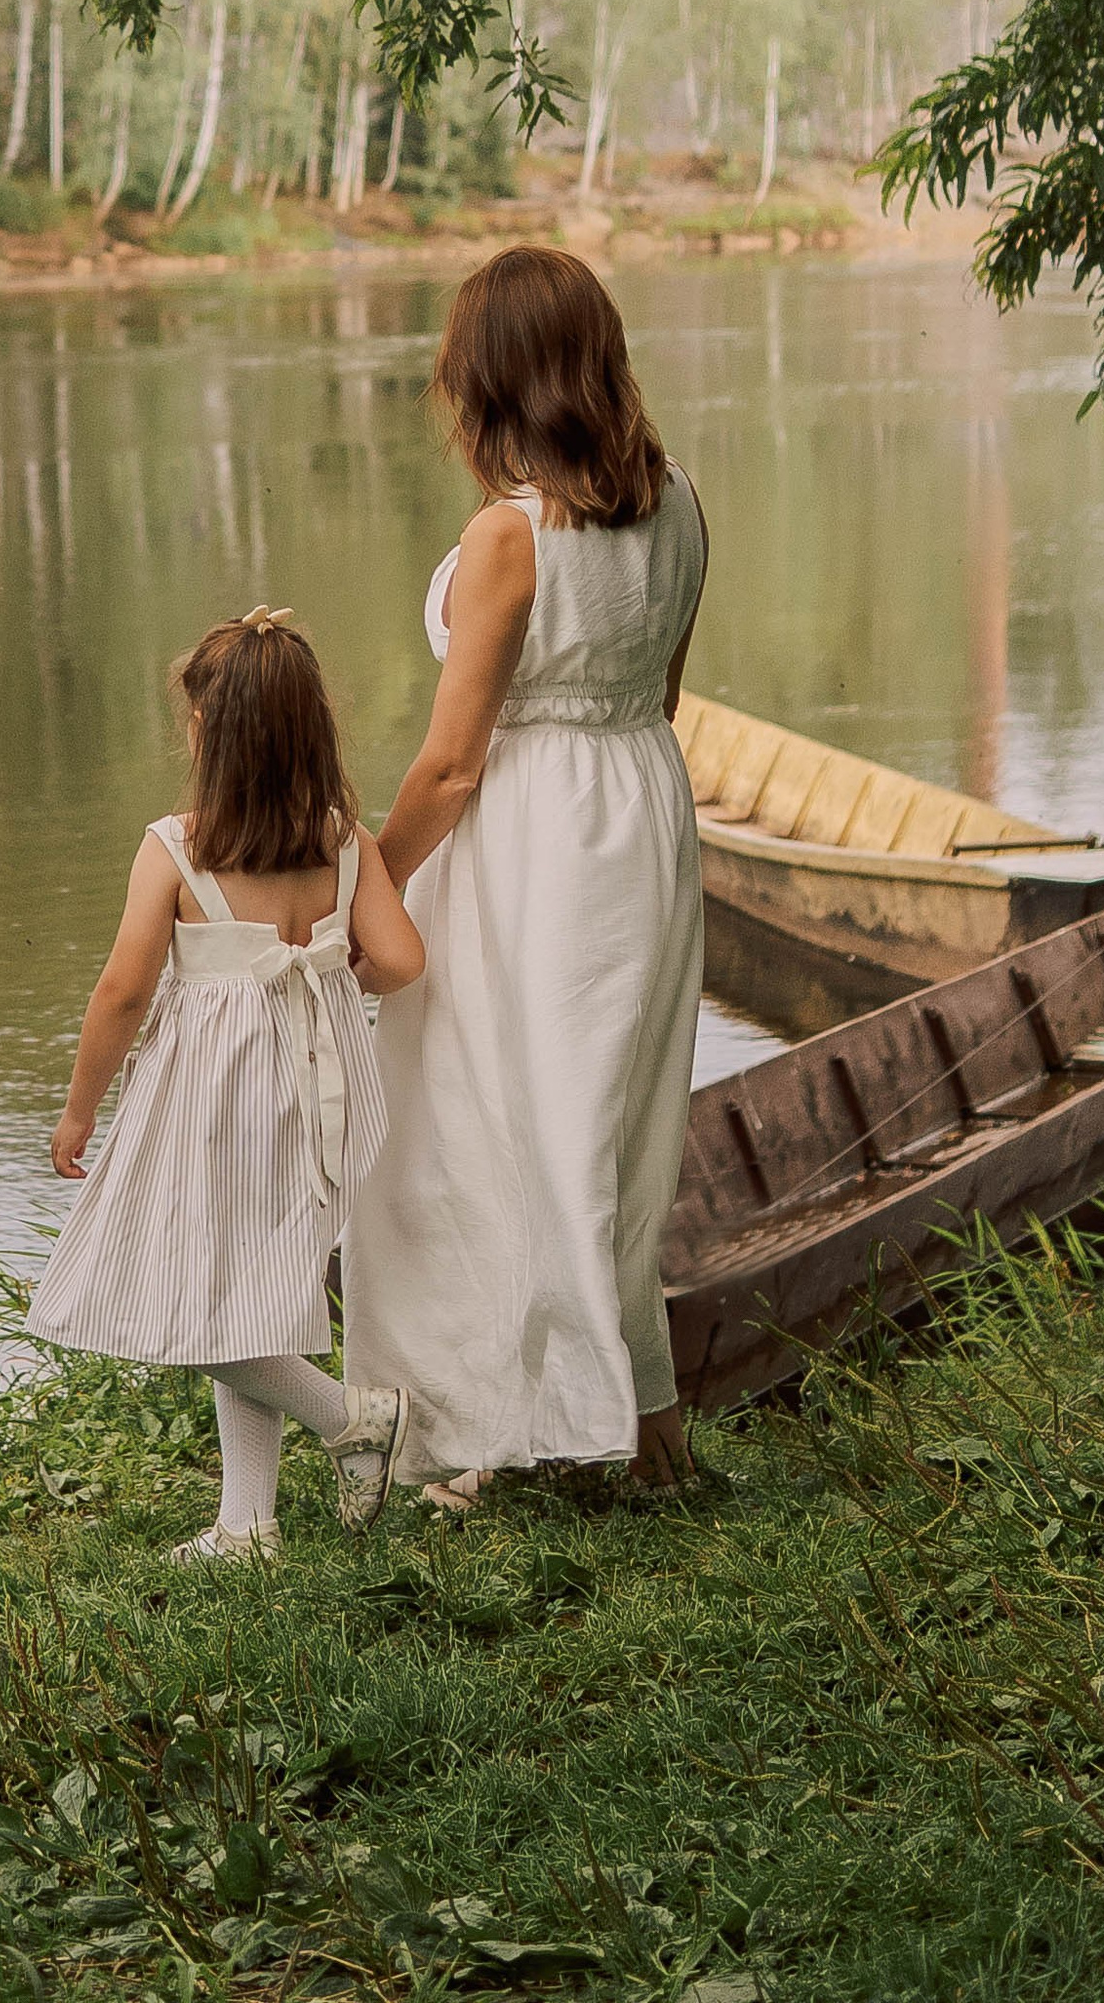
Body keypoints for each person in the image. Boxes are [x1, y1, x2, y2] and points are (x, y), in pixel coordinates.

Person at [345, 245, 709, 1499]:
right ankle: (629, 1430)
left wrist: (365, 892)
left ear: (491, 379)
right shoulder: (681, 503)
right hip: (643, 811)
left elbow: (451, 765)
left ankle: (512, 1431)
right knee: (605, 1131)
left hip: (536, 842)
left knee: (486, 1125)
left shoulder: (512, 536)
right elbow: (658, 694)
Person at [26, 608, 426, 1561]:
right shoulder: (344, 844)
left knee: (192, 1298)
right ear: (308, 732)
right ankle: (246, 1526)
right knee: (249, 1291)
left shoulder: (176, 848)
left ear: (211, 735)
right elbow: (403, 957)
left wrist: (81, 1107)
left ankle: (349, 1418)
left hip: (212, 1104)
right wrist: (334, 969)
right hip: (319, 1095)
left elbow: (124, 989)